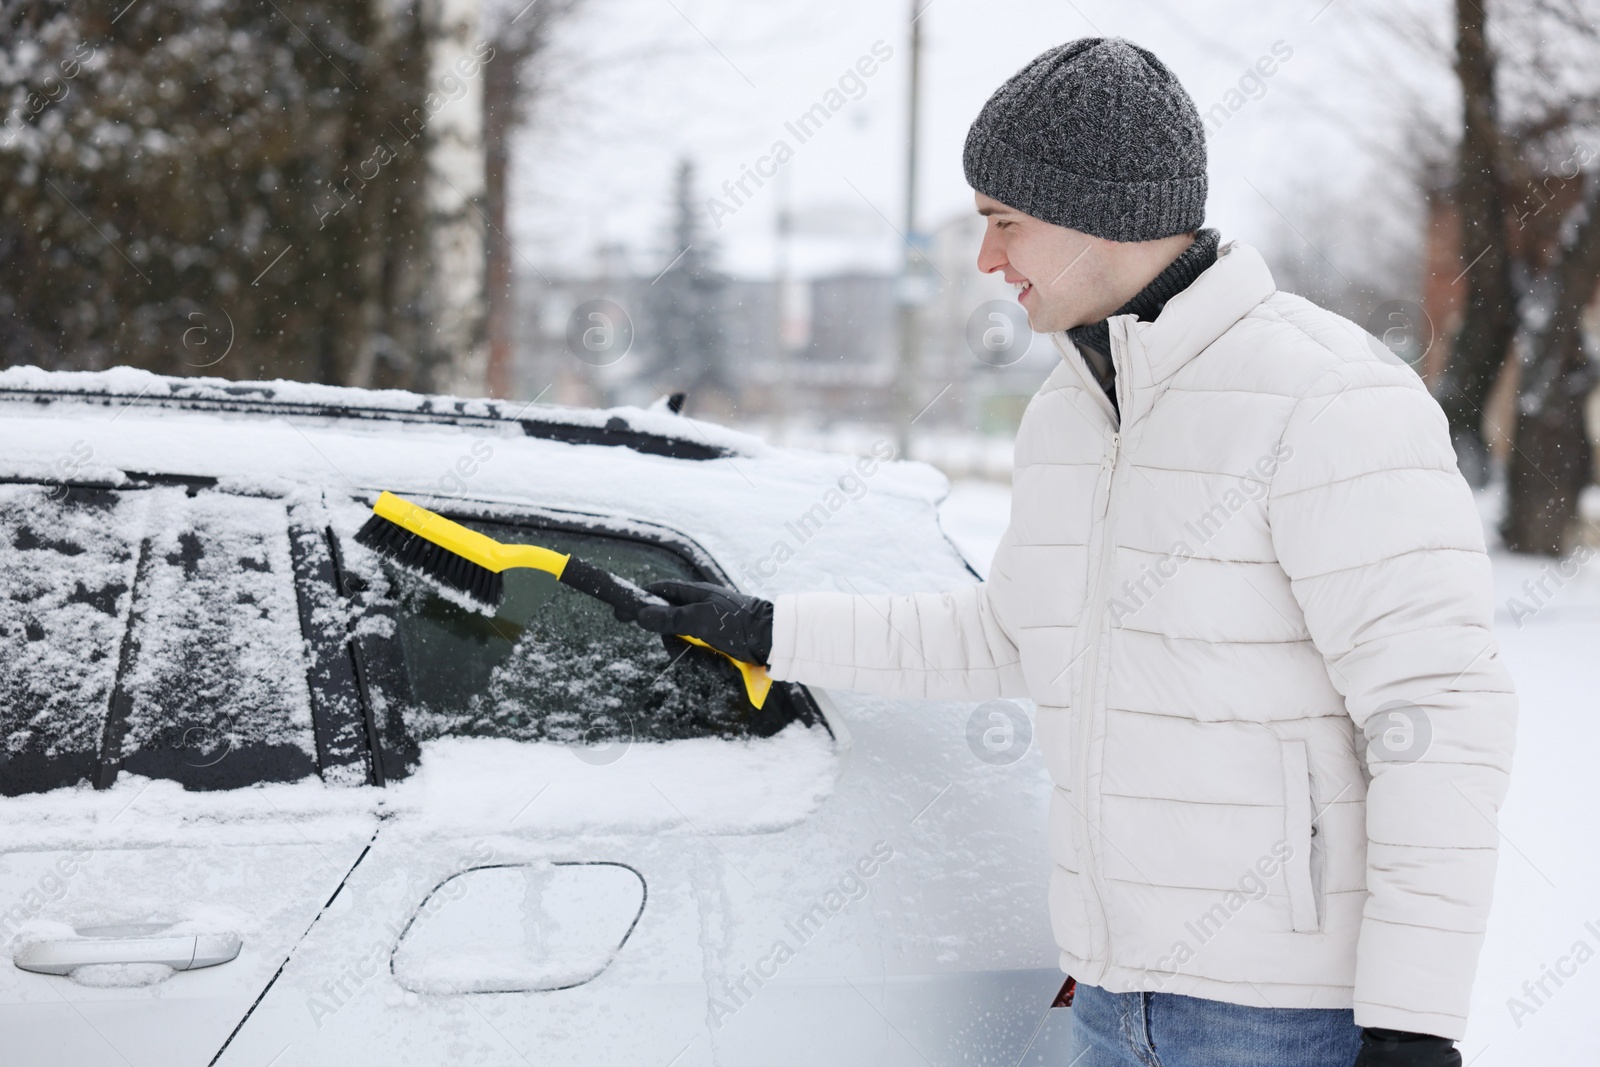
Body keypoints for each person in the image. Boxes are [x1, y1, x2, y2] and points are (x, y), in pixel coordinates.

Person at [626, 38, 1514, 1067]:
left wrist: (1413, 1021)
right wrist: (772, 629)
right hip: (1107, 994)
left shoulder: (1325, 398)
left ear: (1102, 216)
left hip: (1280, 1016)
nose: (986, 261)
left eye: (1004, 223)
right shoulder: (1071, 407)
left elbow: (1437, 710)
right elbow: (1012, 634)